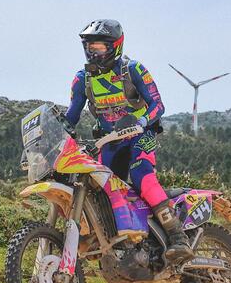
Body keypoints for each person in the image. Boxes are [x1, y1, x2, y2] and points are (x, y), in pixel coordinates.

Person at [65, 19, 193, 264]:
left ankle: (178, 237)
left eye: (99, 47)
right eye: (89, 47)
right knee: (101, 189)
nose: (93, 52)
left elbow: (158, 105)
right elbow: (71, 115)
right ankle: (117, 242)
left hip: (138, 136)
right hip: (107, 142)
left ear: (115, 46)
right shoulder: (82, 79)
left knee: (144, 179)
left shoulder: (132, 69)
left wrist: (141, 122)